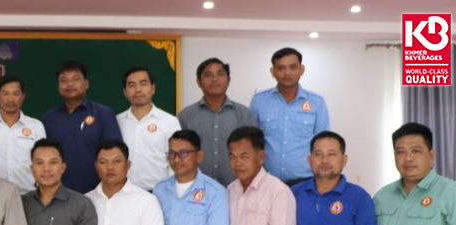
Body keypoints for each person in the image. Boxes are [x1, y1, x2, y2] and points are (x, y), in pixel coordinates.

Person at [249, 48, 330, 185]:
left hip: (305, 181)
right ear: (273, 72)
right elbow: (251, 142)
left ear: (301, 69)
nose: (287, 73)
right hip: (266, 181)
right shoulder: (259, 101)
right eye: (281, 68)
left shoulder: (317, 103)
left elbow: (323, 145)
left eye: (293, 67)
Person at [41, 60, 122, 194]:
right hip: (58, 194)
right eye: (64, 80)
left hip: (97, 193)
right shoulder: (49, 118)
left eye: (76, 79)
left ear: (86, 83)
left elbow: (115, 154)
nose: (70, 84)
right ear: (58, 86)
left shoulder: (104, 114)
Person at [178, 58, 256, 187]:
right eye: (208, 75)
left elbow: (253, 153)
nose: (214, 79)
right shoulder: (185, 116)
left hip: (236, 188)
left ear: (229, 80)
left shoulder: (244, 115)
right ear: (198, 82)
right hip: (195, 188)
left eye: (220, 74)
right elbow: (180, 154)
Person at [0, 75, 47, 193]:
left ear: (23, 96)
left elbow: (43, 162)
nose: (10, 99)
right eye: (5, 93)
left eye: (15, 94)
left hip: (27, 194)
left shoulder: (36, 126)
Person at [117, 66, 181, 191]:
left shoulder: (169, 122)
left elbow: (176, 160)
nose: (138, 89)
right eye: (132, 85)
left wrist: (171, 192)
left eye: (143, 83)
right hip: (123, 193)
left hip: (159, 193)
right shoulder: (117, 121)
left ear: (153, 88)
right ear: (125, 92)